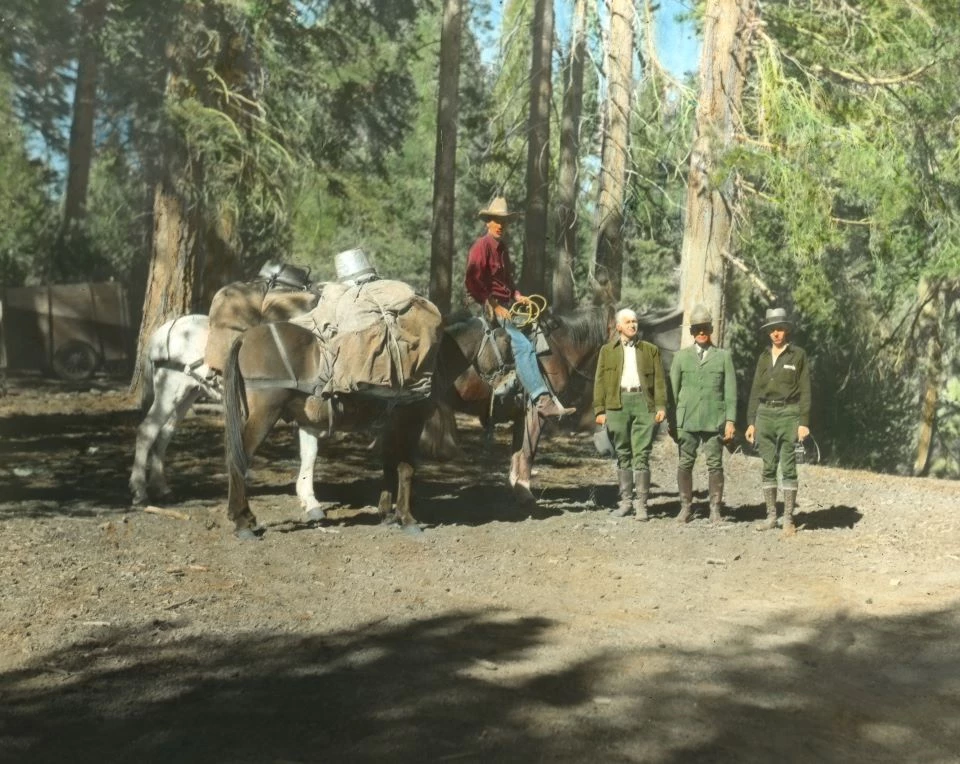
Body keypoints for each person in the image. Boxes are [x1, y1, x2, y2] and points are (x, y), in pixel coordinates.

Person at [465, 197, 575, 419]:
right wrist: (494, 305)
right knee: (523, 345)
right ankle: (542, 400)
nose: (500, 225)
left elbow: (508, 282)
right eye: (496, 220)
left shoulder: (502, 249)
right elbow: (472, 282)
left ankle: (523, 386)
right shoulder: (481, 246)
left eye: (504, 221)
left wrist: (517, 295)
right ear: (488, 222)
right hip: (490, 307)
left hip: (509, 306)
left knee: (540, 333)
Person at [593, 308, 667, 519]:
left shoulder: (650, 350)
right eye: (628, 322)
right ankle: (626, 502)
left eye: (635, 321)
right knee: (623, 453)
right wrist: (599, 409)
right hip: (617, 405)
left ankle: (642, 505)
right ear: (618, 327)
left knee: (642, 454)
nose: (633, 325)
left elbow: (659, 381)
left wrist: (661, 406)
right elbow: (599, 382)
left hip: (644, 405)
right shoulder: (607, 351)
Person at [744, 307, 812, 533]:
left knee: (789, 467)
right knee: (768, 466)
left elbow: (805, 390)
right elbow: (755, 390)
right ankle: (771, 516)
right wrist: (751, 422)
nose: (776, 334)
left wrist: (803, 422)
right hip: (764, 415)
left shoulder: (798, 355)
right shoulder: (763, 357)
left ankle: (788, 519)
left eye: (780, 329)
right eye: (772, 330)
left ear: (787, 331)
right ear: (768, 332)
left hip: (788, 414)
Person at [669, 304, 737, 524]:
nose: (701, 332)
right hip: (686, 419)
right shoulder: (680, 357)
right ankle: (685, 507)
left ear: (711, 329)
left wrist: (730, 421)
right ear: (691, 331)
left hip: (714, 419)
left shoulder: (723, 357)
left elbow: (730, 392)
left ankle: (715, 510)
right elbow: (672, 392)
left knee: (715, 464)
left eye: (705, 327)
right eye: (697, 328)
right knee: (684, 463)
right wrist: (672, 422)